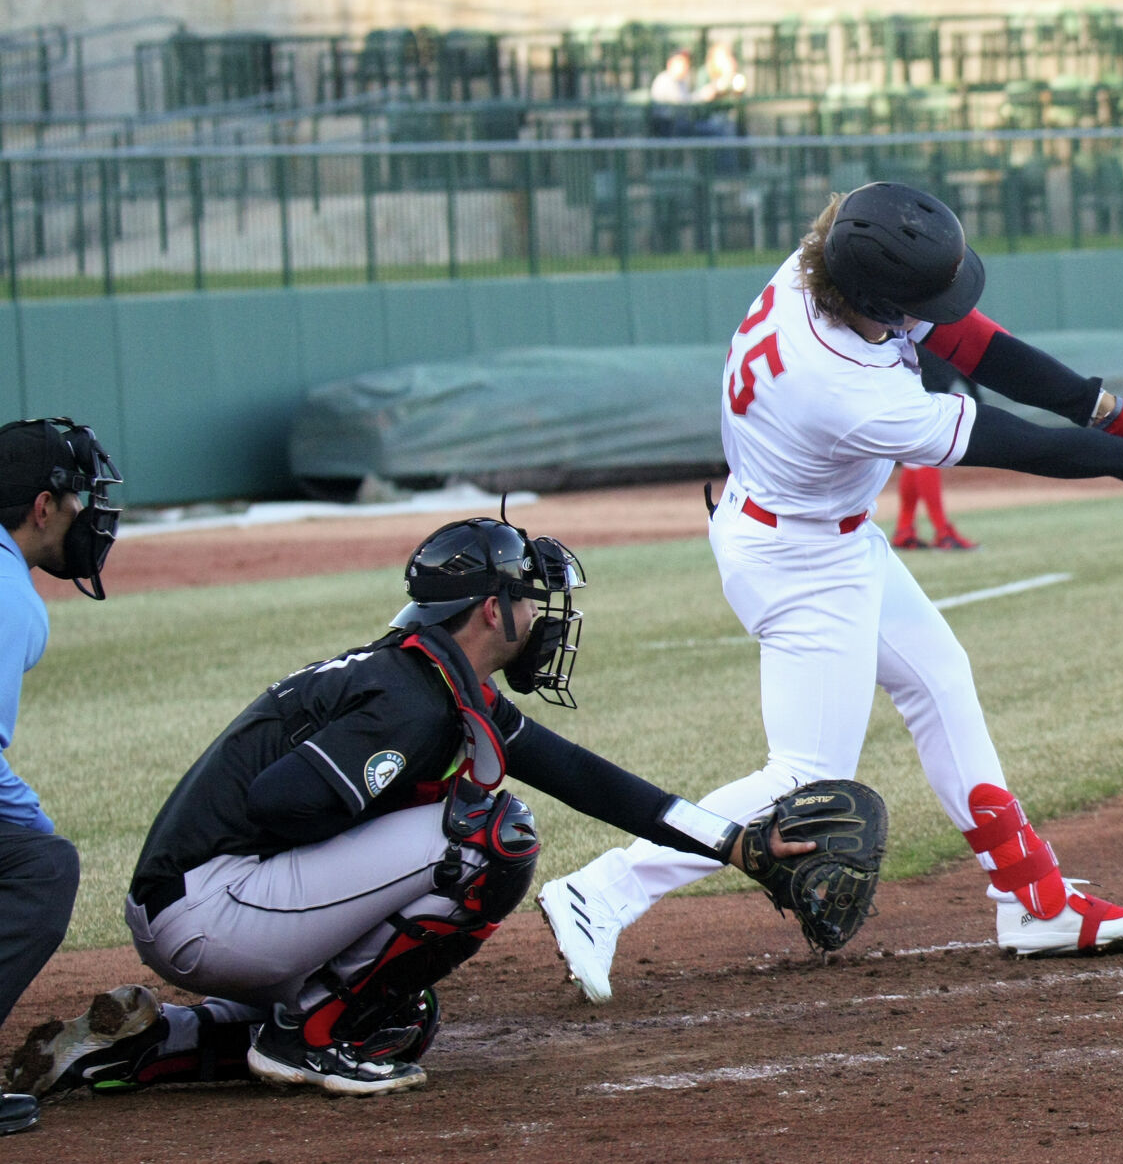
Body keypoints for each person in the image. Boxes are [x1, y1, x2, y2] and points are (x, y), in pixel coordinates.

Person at [540, 184, 1123, 1002]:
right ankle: (604, 889)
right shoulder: (846, 387)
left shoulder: (821, 263)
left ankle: (1031, 896)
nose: (933, 312)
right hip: (797, 559)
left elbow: (971, 342)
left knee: (940, 678)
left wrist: (1109, 410)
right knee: (804, 778)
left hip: (824, 530)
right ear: (873, 300)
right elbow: (1007, 438)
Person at [6, 518, 815, 1101]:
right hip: (214, 905)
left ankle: (155, 1042)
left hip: (208, 900)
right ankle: (307, 1036)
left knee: (396, 1013)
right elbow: (278, 798)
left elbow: (584, 776)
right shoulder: (407, 699)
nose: (541, 617)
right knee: (489, 837)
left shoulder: (428, 675)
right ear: (490, 609)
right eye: (529, 599)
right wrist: (393, 809)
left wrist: (735, 842)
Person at [0, 419, 120, 1138]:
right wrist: (35, 825)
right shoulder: (11, 598)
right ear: (43, 508)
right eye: (78, 501)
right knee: (41, 868)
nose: (89, 517)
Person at [894, 346, 977, 550]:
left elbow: (960, 357)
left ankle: (904, 530)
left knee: (914, 463)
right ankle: (942, 532)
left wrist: (974, 390)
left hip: (927, 395)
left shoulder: (942, 319)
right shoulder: (915, 320)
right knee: (926, 458)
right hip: (919, 395)